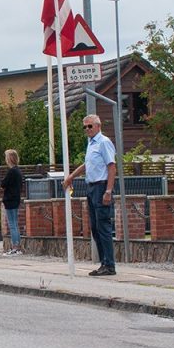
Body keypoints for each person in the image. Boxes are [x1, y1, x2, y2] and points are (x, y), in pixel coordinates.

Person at [63, 114, 117, 276]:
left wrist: (108, 190)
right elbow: (88, 164)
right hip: (91, 187)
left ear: (98, 126)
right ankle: (104, 262)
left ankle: (109, 264)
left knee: (103, 227)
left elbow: (111, 166)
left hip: (101, 187)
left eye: (90, 126)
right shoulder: (91, 144)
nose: (87, 129)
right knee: (95, 227)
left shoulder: (103, 142)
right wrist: (72, 176)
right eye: (85, 127)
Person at [1, 149, 24, 255]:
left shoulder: (11, 171)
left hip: (10, 199)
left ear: (10, 158)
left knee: (12, 224)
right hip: (16, 199)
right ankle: (17, 246)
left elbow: (3, 183)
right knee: (15, 223)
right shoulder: (18, 171)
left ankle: (15, 246)